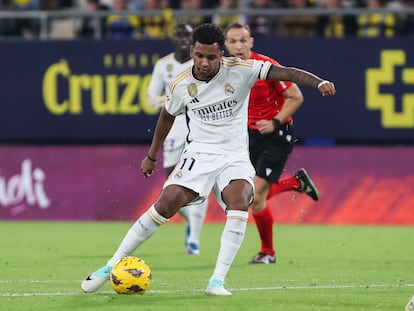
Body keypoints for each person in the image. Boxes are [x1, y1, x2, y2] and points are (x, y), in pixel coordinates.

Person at [80, 23, 336, 296]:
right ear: (192, 51)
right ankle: (109, 266)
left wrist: (318, 82)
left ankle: (217, 281)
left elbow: (287, 73)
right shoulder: (181, 83)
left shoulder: (241, 70)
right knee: (165, 205)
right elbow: (166, 116)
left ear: (221, 53)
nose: (204, 62)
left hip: (234, 155)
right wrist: (151, 155)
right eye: (199, 56)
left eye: (211, 57)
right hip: (199, 154)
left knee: (241, 200)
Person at [224, 22, 320, 265]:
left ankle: (268, 252)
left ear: (251, 42)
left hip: (277, 133)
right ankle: (296, 183)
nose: (238, 46)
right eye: (233, 41)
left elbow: (296, 96)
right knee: (253, 199)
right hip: (249, 136)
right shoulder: (224, 71)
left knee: (253, 196)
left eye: (243, 40)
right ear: (225, 45)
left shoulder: (266, 67)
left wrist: (275, 121)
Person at [146, 23, 208, 255]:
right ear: (173, 38)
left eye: (187, 34)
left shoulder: (201, 62)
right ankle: (192, 219)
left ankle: (193, 239)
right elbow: (150, 98)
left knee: (200, 183)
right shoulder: (164, 65)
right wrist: (171, 101)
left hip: (200, 126)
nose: (183, 38)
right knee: (171, 184)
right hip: (173, 126)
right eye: (178, 34)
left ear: (193, 39)